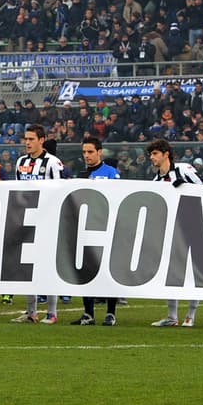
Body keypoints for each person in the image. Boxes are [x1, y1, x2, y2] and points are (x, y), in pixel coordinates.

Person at [146, 138, 203, 327]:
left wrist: (185, 187)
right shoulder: (156, 180)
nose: (152, 157)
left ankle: (191, 315)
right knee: (171, 272)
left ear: (166, 154)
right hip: (171, 230)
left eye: (155, 153)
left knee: (193, 271)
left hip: (193, 225)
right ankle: (172, 316)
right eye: (151, 154)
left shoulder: (184, 169)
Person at [12, 125, 64, 324]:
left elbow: (60, 190)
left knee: (48, 266)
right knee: (28, 266)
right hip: (27, 219)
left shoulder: (53, 162)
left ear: (41, 140)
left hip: (48, 221)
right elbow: (18, 190)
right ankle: (31, 312)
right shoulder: (21, 162)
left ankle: (52, 312)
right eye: (26, 139)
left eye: (31, 139)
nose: (27, 142)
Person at [73, 136, 121, 326]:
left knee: (108, 271)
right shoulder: (81, 174)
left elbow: (118, 196)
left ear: (99, 152)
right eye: (84, 152)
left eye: (90, 152)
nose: (87, 155)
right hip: (86, 228)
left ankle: (111, 313)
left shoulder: (111, 172)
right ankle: (88, 313)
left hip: (106, 227)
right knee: (86, 271)